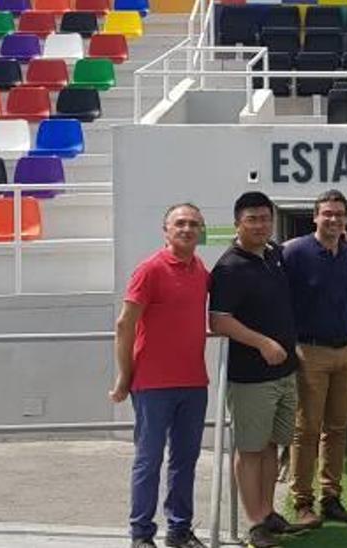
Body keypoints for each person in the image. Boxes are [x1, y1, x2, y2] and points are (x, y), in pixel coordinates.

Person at [111, 203, 211, 548]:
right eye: (180, 223)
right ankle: (141, 534)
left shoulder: (201, 270)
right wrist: (125, 377)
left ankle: (180, 530)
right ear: (165, 230)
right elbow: (124, 324)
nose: (187, 229)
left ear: (201, 231)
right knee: (149, 460)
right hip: (152, 384)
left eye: (194, 224)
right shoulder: (150, 269)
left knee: (185, 460)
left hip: (194, 383)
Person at [209, 191, 303, 548]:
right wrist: (263, 343)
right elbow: (218, 321)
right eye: (253, 219)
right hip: (250, 378)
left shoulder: (274, 255)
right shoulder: (229, 268)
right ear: (238, 223)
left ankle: (267, 514)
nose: (261, 225)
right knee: (249, 450)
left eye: (266, 218)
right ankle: (255, 524)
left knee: (270, 447)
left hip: (284, 373)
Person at [282, 190, 347, 528]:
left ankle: (331, 497)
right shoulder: (295, 251)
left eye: (339, 214)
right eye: (327, 213)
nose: (333, 219)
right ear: (315, 216)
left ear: (346, 219)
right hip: (310, 350)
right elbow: (279, 297)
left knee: (338, 428)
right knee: (307, 430)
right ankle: (302, 502)